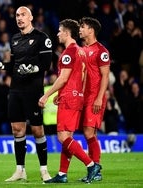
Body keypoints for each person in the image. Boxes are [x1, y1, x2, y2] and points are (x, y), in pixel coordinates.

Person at [0, 6, 52, 182]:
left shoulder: (41, 38)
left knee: (37, 130)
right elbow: (13, 65)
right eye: (17, 16)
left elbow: (46, 64)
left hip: (34, 90)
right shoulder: (14, 39)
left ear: (31, 18)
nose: (19, 18)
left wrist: (33, 68)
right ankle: (20, 170)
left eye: (23, 15)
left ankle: (44, 170)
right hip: (15, 90)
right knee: (17, 129)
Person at [38, 19, 102, 184]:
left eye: (59, 31)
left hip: (69, 98)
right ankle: (62, 174)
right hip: (76, 96)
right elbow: (83, 76)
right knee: (67, 137)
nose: (58, 34)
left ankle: (91, 164)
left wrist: (47, 95)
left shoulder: (69, 52)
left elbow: (63, 77)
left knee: (62, 137)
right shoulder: (80, 51)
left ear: (66, 33)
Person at [78, 17, 111, 181]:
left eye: (82, 27)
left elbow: (105, 76)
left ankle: (95, 169)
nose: (80, 29)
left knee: (89, 132)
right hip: (83, 97)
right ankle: (94, 170)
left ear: (91, 30)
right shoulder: (82, 49)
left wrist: (99, 98)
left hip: (94, 97)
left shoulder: (101, 51)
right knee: (89, 134)